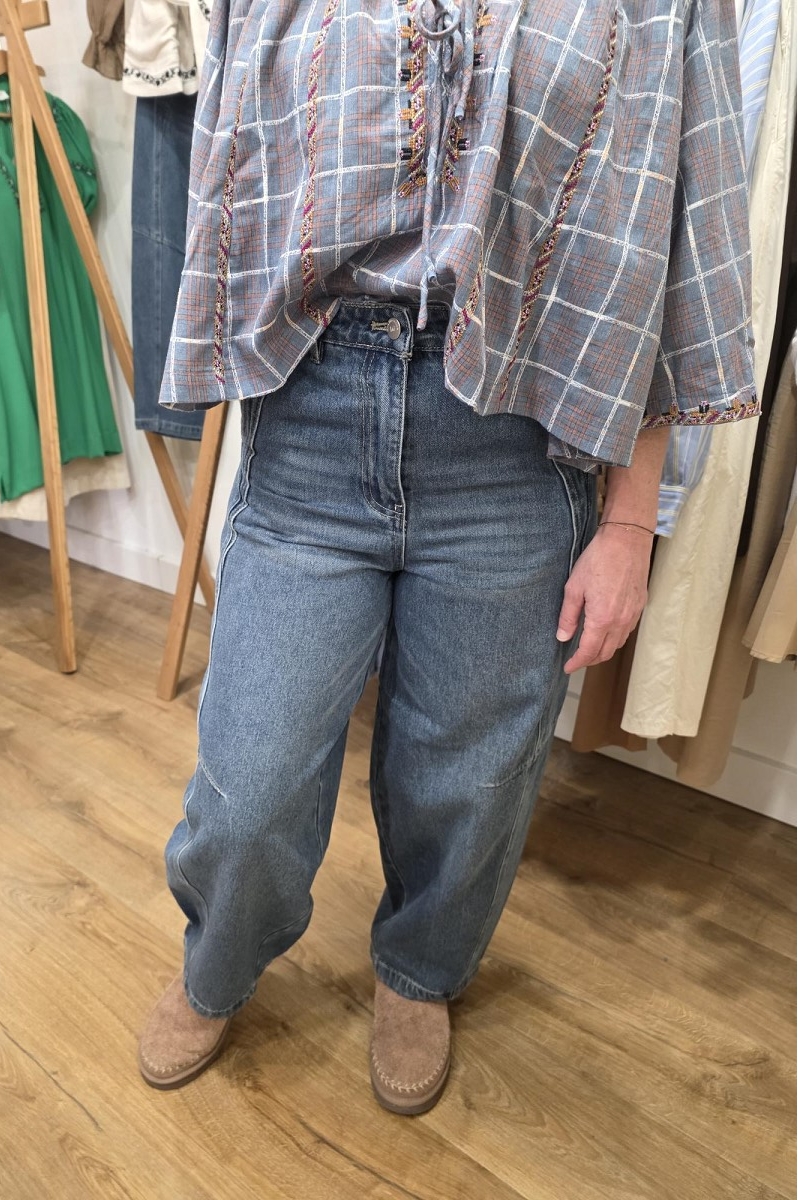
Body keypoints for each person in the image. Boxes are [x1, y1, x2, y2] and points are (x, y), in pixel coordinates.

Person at [137, 0, 756, 1114]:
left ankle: (419, 970)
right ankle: (215, 959)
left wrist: (628, 523)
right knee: (248, 788)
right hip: (313, 409)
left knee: (468, 779)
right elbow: (228, 165)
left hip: (517, 434)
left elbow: (684, 226)